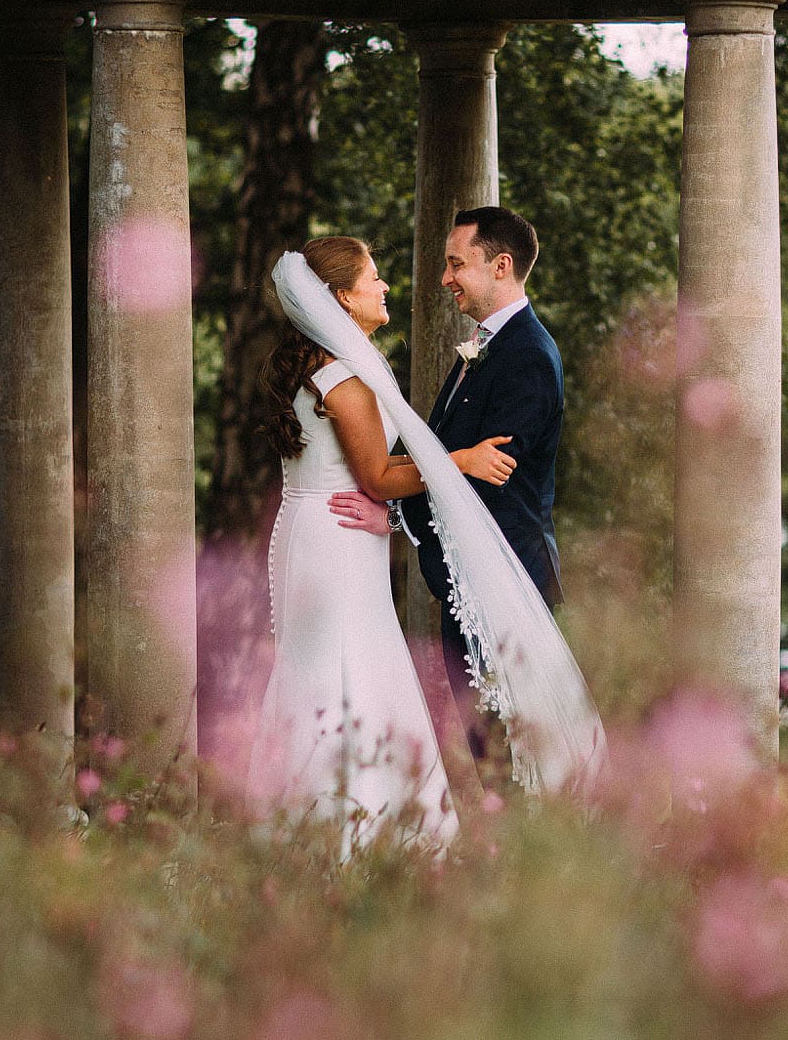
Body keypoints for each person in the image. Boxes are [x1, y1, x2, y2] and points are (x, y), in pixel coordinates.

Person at [254, 235, 601, 851]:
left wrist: (397, 517)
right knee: (347, 669)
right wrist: (458, 461)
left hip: (323, 527)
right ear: (340, 298)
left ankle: (327, 822)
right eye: (375, 278)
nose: (388, 286)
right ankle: (359, 831)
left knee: (335, 667)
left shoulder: (326, 367)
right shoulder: (345, 377)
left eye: (453, 263)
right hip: (338, 534)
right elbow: (377, 477)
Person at [331, 207, 565, 775]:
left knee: (509, 753)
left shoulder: (527, 355)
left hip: (504, 582)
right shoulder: (488, 347)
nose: (445, 278)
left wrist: (394, 519)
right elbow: (456, 462)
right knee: (489, 749)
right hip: (470, 580)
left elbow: (491, 483)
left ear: (501, 266)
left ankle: (523, 860)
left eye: (456, 264)